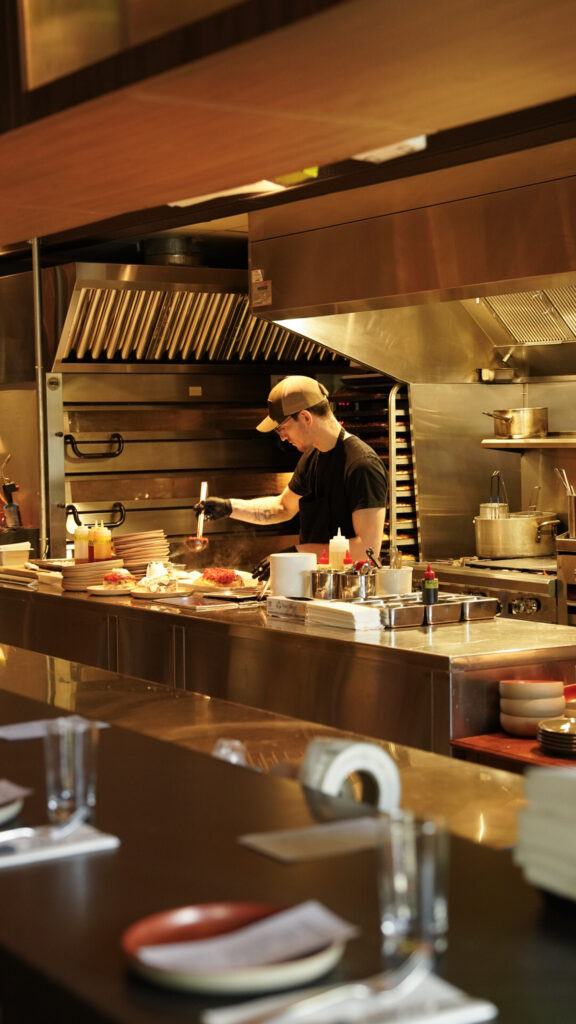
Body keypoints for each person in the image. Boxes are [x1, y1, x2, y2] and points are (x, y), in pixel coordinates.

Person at [193, 375, 388, 570]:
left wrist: (298, 554)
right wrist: (229, 507)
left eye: (282, 428)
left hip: (349, 594)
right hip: (317, 588)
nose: (283, 437)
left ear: (305, 417)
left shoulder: (362, 465)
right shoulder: (312, 456)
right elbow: (283, 507)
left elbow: (367, 550)